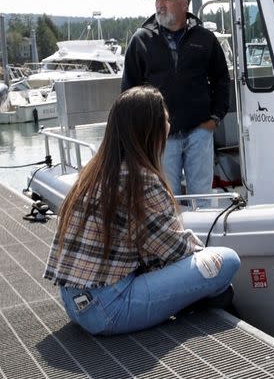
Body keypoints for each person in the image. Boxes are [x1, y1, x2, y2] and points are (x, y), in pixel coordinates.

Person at [43, 86, 240, 336]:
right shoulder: (140, 179)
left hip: (75, 305)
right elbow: (177, 250)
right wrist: (205, 263)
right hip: (107, 310)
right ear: (152, 128)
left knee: (207, 272)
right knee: (226, 260)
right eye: (166, 120)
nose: (170, 125)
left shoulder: (95, 172)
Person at [122, 0, 230, 199]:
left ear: (184, 4)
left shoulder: (205, 38)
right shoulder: (141, 39)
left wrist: (215, 118)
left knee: (202, 197)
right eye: (157, 0)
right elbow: (129, 90)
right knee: (165, 197)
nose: (160, 5)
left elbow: (221, 79)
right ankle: (171, 233)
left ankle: (203, 233)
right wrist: (138, 133)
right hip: (160, 135)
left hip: (200, 130)